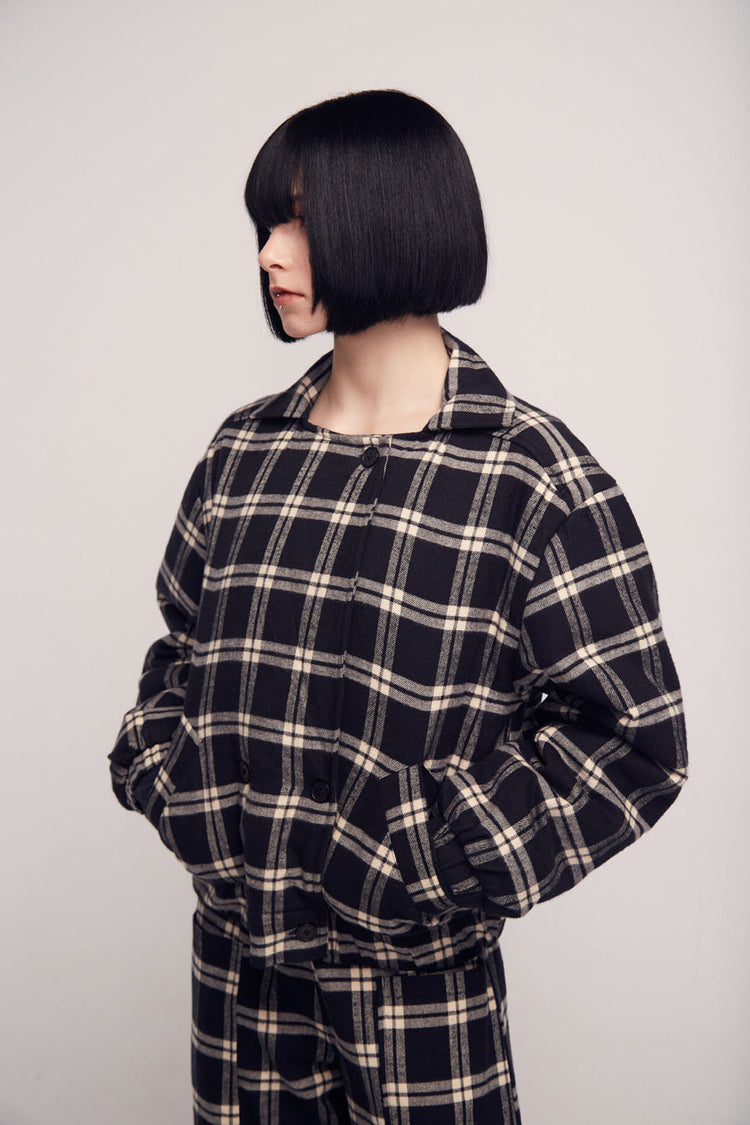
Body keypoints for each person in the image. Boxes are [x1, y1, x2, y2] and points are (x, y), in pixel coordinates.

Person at [109, 89, 688, 1125]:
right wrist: (181, 786)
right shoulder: (243, 453)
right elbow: (179, 654)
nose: (268, 254)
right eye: (265, 224)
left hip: (418, 1013)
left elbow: (632, 743)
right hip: (237, 998)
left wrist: (421, 854)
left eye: (297, 220)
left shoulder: (533, 478)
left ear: (391, 217)